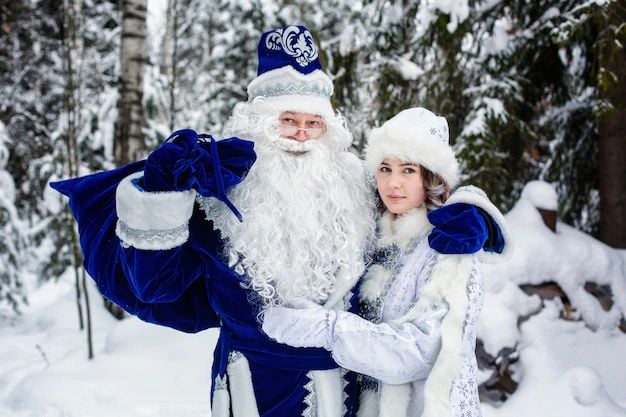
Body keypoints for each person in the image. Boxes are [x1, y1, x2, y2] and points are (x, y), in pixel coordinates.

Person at [51, 25, 377, 417]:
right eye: (288, 120)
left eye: (314, 123)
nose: (302, 135)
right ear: (261, 122)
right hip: (255, 391)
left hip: (351, 388)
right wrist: (162, 193)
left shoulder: (358, 187)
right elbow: (156, 286)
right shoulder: (221, 197)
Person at [262, 107, 512, 417]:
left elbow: (422, 352)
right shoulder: (375, 236)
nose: (393, 183)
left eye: (407, 170)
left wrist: (328, 328)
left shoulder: (450, 247)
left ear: (431, 176)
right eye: (385, 168)